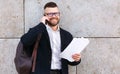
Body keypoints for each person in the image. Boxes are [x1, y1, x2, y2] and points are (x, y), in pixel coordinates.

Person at [21, 2, 81, 74]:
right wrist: (41, 24)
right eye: (50, 14)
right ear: (44, 16)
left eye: (56, 13)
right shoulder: (38, 31)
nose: (54, 16)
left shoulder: (67, 36)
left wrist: (76, 59)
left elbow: (70, 61)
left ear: (59, 15)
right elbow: (25, 41)